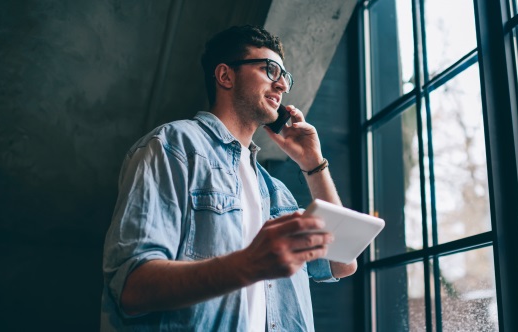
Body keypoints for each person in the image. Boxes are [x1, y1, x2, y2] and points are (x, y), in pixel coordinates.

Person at [100, 25, 357, 331]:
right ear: (225, 76)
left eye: (284, 77)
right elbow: (132, 287)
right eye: (270, 70)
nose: (282, 86)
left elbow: (343, 262)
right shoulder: (174, 146)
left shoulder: (275, 191)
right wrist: (248, 264)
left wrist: (313, 164)